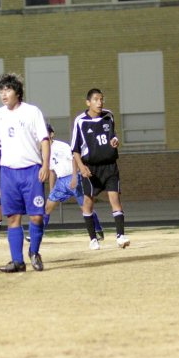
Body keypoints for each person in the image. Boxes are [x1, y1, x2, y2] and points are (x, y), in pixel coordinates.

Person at [0, 73, 50, 273]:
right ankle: (17, 261)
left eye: (7, 90)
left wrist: (45, 165)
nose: (3, 94)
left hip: (32, 171)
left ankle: (34, 252)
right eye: (1, 91)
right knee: (12, 218)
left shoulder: (32, 112)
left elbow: (44, 139)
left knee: (36, 217)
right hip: (8, 173)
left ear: (17, 92)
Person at [70, 88, 130, 249]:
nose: (100, 102)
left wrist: (115, 140)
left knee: (115, 199)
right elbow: (74, 149)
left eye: (101, 99)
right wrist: (81, 168)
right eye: (96, 99)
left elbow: (113, 135)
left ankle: (120, 236)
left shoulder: (108, 115)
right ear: (88, 102)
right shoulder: (80, 121)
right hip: (91, 168)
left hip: (110, 166)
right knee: (88, 203)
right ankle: (93, 239)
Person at [44, 123, 104, 247]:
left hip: (72, 178)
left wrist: (74, 177)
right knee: (47, 207)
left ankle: (97, 230)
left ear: (51, 134)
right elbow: (51, 171)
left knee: (85, 208)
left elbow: (73, 159)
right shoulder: (45, 151)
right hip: (60, 182)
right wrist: (51, 188)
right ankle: (38, 233)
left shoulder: (62, 146)